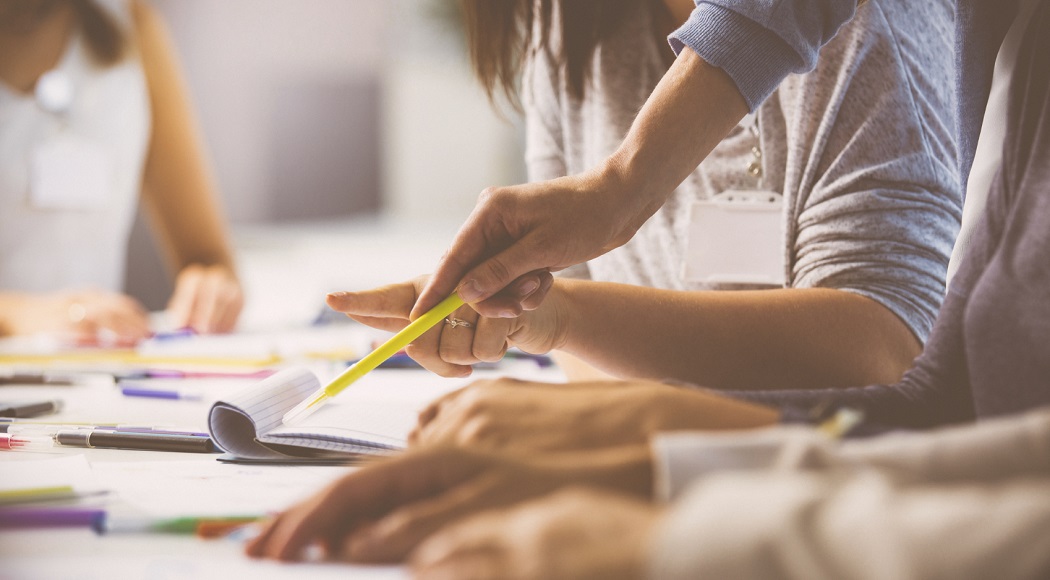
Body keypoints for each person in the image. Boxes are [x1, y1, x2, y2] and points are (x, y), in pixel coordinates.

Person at [248, 0, 1050, 576]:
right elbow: (946, 417)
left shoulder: (908, 37)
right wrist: (641, 452)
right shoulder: (1024, 60)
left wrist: (661, 499)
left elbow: (889, 365)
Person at [328, 0, 960, 392]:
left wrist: (562, 318)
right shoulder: (568, 24)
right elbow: (588, 367)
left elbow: (885, 352)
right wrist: (533, 319)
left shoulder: (873, 27)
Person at [0, 0, 242, 345]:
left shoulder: (133, 24)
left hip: (94, 379)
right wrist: (18, 316)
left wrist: (213, 289)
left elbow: (207, 258)